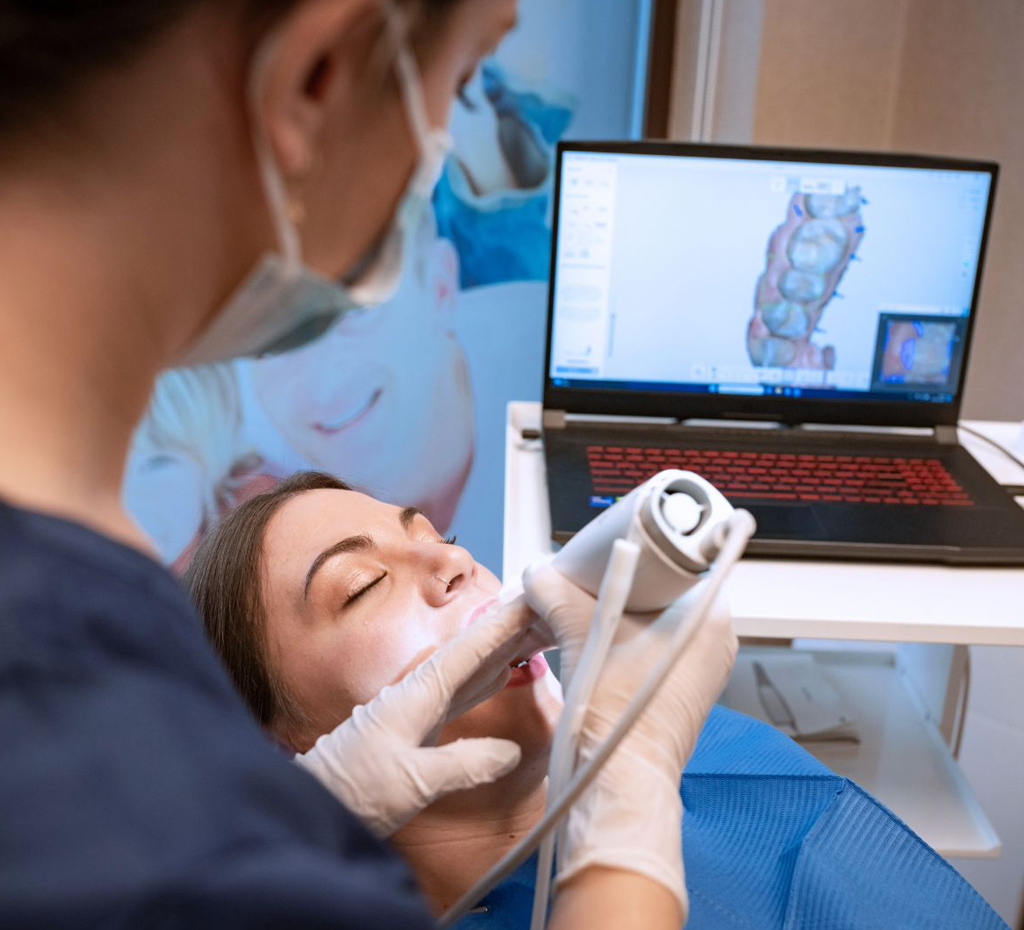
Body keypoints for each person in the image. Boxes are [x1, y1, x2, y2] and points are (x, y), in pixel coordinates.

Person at [0, 2, 737, 928]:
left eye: (441, 536)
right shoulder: (81, 706)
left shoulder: (86, 670)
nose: (455, 566)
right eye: (457, 82)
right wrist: (629, 799)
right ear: (316, 73)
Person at [185, 471, 1008, 929]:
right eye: (362, 585)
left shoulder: (700, 738)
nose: (454, 565)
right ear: (286, 747)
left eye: (439, 537)